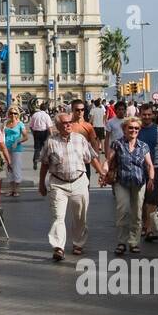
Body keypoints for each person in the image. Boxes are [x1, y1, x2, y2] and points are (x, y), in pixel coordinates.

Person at [37, 110, 107, 261]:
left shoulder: (80, 139)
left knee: (80, 217)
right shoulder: (51, 142)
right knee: (58, 217)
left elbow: (92, 158)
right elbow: (44, 165)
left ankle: (78, 243)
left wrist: (101, 173)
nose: (68, 125)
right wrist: (41, 184)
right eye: (64, 123)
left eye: (69, 122)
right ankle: (58, 247)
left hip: (79, 182)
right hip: (58, 183)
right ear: (57, 126)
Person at [105, 116, 153, 255]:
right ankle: (121, 242)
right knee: (123, 210)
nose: (133, 130)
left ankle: (133, 242)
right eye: (130, 128)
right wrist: (104, 172)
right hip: (122, 182)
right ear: (124, 129)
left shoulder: (143, 146)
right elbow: (109, 160)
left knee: (137, 213)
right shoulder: (118, 144)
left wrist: (151, 178)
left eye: (136, 128)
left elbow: (149, 165)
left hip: (139, 183)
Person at [135, 104, 158, 241]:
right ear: (140, 114)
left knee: (152, 200)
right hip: (137, 168)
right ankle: (145, 224)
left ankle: (149, 228)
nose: (147, 117)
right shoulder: (135, 129)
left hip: (155, 169)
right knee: (141, 201)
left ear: (153, 115)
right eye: (144, 114)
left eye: (149, 114)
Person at [3, 107, 29, 198]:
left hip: (16, 149)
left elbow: (26, 137)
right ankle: (11, 189)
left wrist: (18, 141)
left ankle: (16, 189)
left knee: (16, 168)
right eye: (11, 113)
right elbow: (2, 135)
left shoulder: (20, 124)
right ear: (8, 114)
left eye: (15, 113)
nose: (13, 115)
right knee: (8, 168)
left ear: (18, 114)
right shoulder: (5, 123)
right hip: (6, 148)